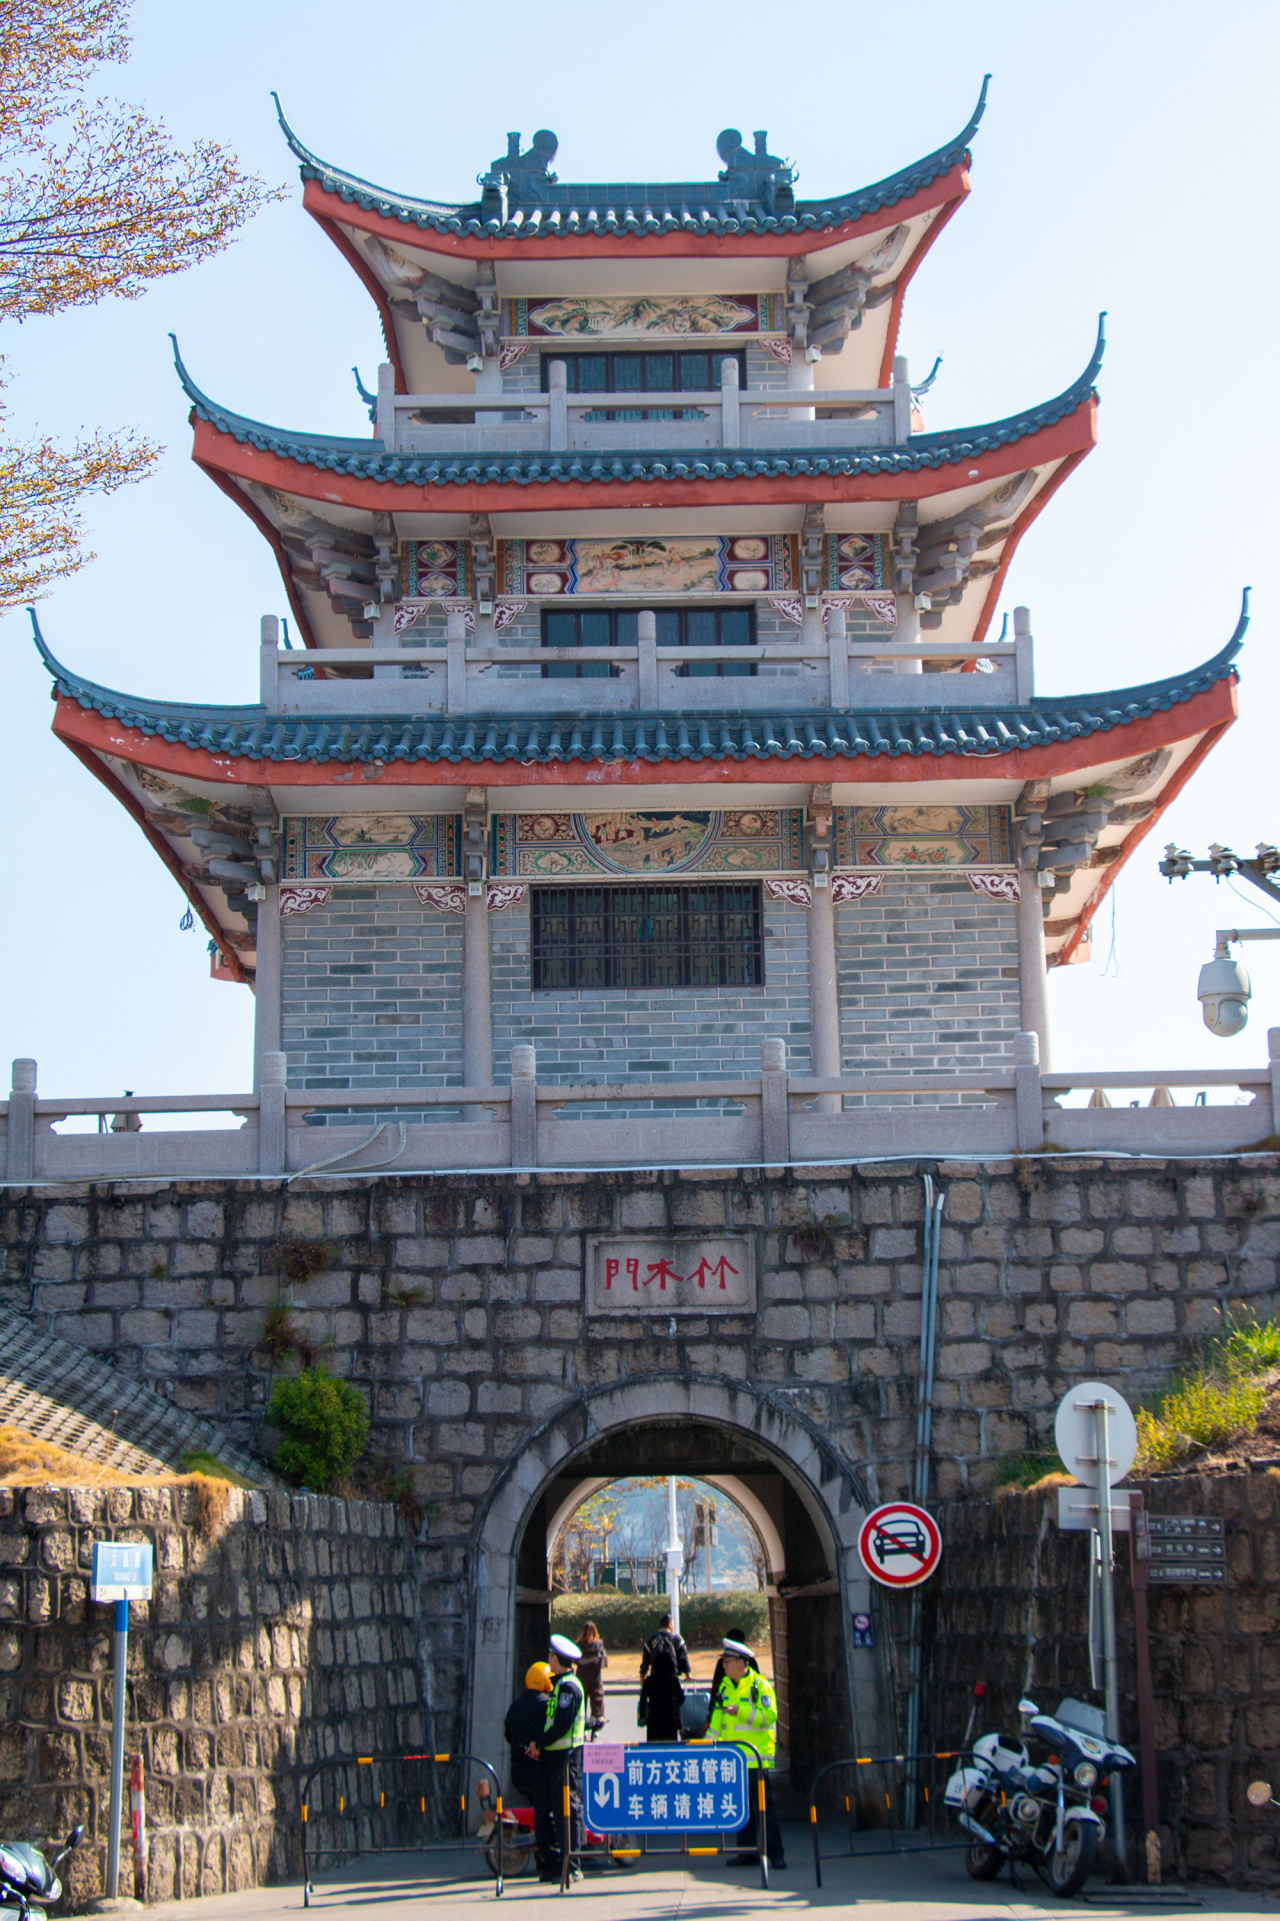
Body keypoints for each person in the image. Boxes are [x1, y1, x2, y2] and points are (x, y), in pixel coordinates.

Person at [708, 1637, 786, 1871]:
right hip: (733, 1760)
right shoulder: (724, 1686)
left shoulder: (759, 1686)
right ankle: (747, 1853)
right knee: (741, 1809)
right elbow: (717, 1721)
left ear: (742, 1663)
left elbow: (769, 1717)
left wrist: (741, 1711)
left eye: (727, 1661)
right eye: (723, 1661)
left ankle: (776, 1855)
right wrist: (704, 1746)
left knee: (764, 1808)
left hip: (755, 1759)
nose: (724, 1665)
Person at [527, 1634, 586, 1884]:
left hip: (565, 1757)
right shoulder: (560, 1684)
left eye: (550, 1655)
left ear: (555, 1658)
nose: (548, 1658)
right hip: (552, 1757)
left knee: (566, 1812)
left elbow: (562, 1724)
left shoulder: (569, 1687)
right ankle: (555, 1864)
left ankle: (572, 1865)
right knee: (549, 1811)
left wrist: (539, 1743)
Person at [504, 1662, 553, 1807]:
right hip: (542, 1772)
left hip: (518, 1774)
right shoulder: (548, 1706)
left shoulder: (514, 1707)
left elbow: (508, 1736)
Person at [638, 1612, 690, 1742]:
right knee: (670, 1746)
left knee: (653, 1748)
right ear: (670, 1625)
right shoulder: (676, 1639)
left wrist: (642, 1674)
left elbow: (645, 1659)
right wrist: (687, 1673)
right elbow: (683, 1657)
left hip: (653, 1721)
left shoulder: (651, 1640)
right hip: (670, 1720)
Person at [576, 1620, 608, 1722]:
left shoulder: (578, 1645)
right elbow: (604, 1662)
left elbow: (574, 1660)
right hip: (595, 1679)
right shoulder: (598, 1645)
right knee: (597, 1702)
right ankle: (597, 1722)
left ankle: (581, 1723)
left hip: (582, 1679)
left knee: (581, 1703)